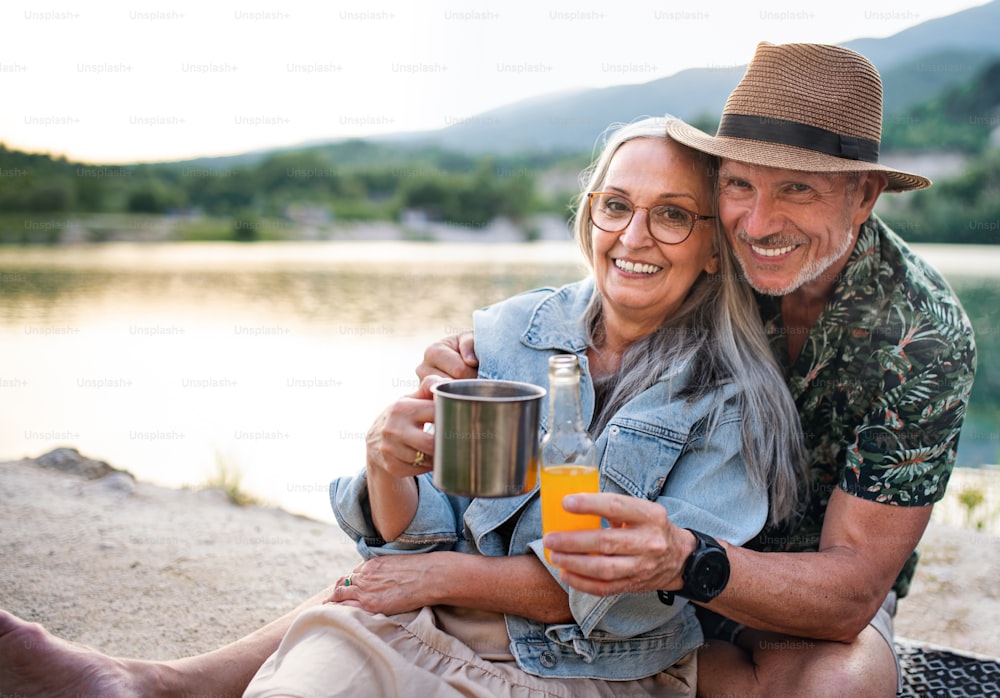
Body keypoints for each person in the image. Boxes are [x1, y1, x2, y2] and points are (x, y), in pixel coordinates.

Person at [0, 117, 804, 697]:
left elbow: (626, 597)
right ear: (589, 214)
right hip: (424, 624)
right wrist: (388, 466)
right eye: (615, 205)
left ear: (710, 247)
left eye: (671, 214)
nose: (635, 234)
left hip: (590, 671)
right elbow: (416, 532)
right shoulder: (507, 332)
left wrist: (444, 574)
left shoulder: (731, 399)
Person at [420, 43, 977, 697]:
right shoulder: (704, 247)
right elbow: (596, 299)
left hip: (780, 593)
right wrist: (479, 357)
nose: (759, 224)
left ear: (864, 195)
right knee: (382, 598)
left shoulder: (922, 339)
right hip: (637, 558)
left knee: (842, 683)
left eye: (797, 188)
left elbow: (850, 592)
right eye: (739, 184)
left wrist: (685, 559)